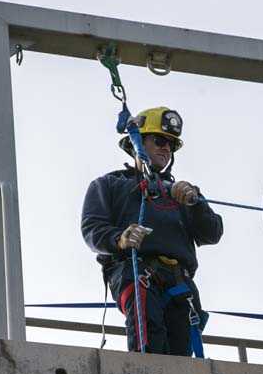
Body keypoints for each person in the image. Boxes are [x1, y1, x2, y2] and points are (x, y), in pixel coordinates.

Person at [81, 106, 223, 356]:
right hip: (136, 273)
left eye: (171, 144)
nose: (166, 148)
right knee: (150, 336)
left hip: (180, 282)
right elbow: (92, 228)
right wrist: (120, 238)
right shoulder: (110, 184)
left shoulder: (181, 193)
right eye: (159, 141)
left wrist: (196, 202)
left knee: (182, 353)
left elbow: (212, 233)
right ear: (136, 143)